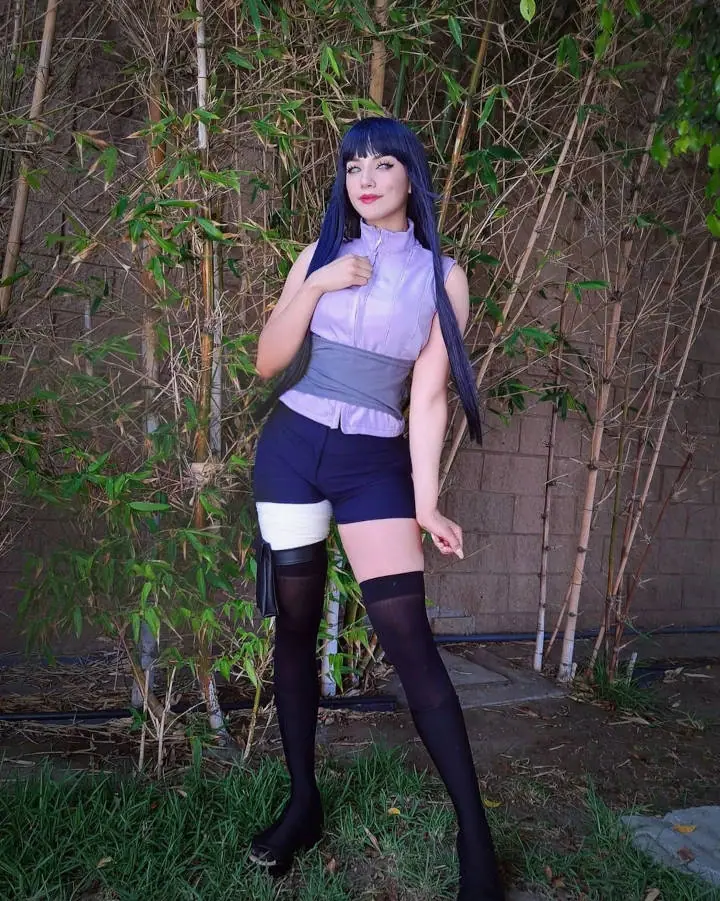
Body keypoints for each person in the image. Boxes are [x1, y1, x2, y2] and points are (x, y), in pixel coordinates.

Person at [250, 116, 505, 900]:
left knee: (409, 640)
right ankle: (303, 801)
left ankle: (475, 839)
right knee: (295, 624)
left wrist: (426, 502)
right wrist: (317, 283)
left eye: (382, 163)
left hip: (373, 466)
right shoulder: (317, 255)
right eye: (353, 164)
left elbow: (427, 397)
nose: (365, 178)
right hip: (291, 450)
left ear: (409, 175)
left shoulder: (443, 276)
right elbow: (267, 361)